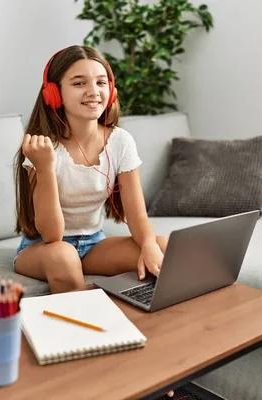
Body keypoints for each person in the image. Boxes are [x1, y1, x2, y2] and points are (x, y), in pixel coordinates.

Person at [13, 45, 169, 295]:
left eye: (100, 82)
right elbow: (52, 235)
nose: (94, 92)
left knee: (163, 247)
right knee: (63, 255)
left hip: (93, 244)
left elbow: (137, 216)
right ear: (54, 93)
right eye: (79, 83)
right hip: (44, 248)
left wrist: (149, 244)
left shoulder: (120, 141)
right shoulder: (44, 147)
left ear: (112, 90)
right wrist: (44, 168)